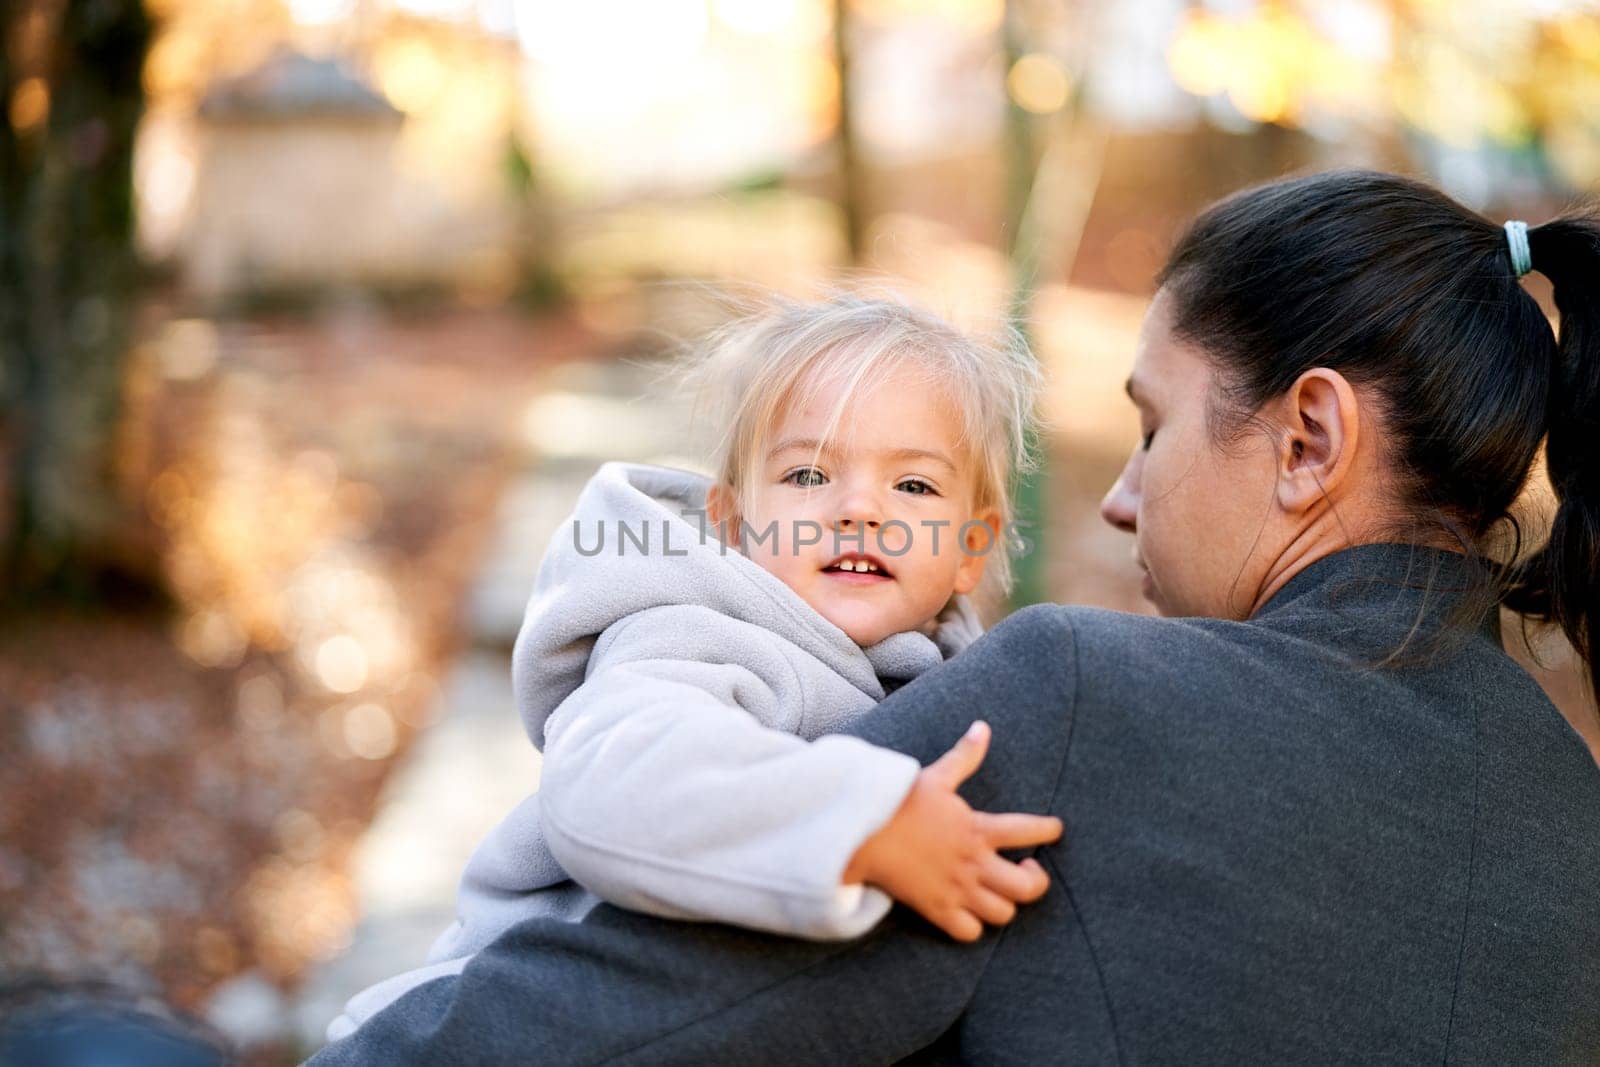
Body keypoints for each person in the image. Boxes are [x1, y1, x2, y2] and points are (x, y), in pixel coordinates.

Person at [309, 170, 1600, 1064]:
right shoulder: (1570, 808)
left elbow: (595, 1028)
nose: (1120, 496)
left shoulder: (1083, 705)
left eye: (1152, 425)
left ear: (1311, 435)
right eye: (809, 474)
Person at [325, 294, 1062, 1038]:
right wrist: (863, 824)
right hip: (480, 1030)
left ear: (973, 546)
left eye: (914, 485)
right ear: (735, 522)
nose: (859, 509)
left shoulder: (960, 686)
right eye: (808, 475)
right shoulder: (695, 637)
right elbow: (616, 786)